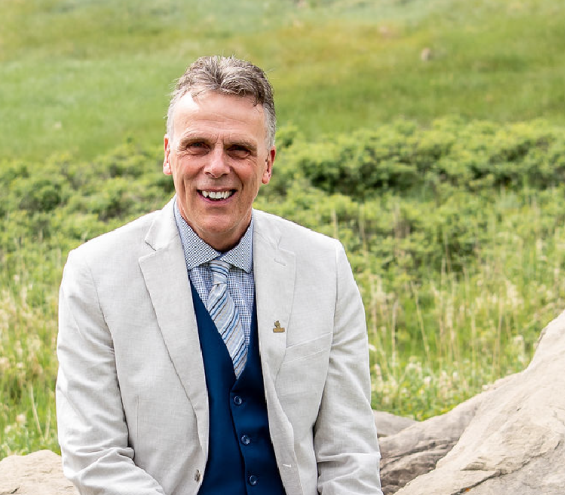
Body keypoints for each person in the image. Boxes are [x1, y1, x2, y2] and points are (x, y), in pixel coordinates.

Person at [56, 55, 382, 495]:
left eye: (239, 149)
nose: (216, 166)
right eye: (197, 145)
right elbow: (94, 457)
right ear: (168, 156)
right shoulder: (95, 273)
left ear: (267, 164)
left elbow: (350, 453)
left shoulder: (325, 265)